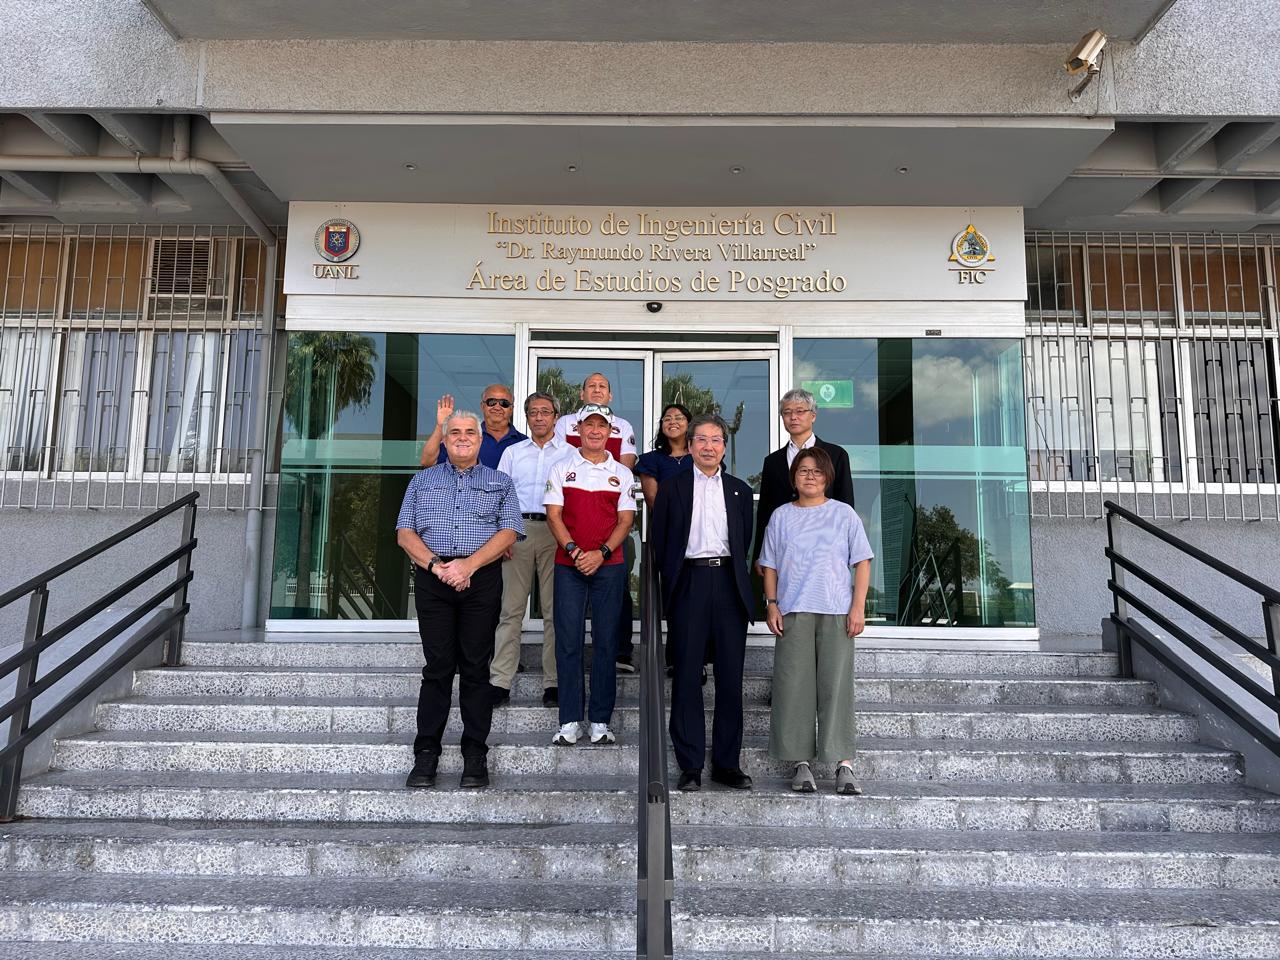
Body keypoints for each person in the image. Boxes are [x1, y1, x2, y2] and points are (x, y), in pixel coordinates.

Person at [396, 410, 525, 791]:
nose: (463, 438)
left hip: (480, 580)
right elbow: (405, 534)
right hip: (434, 580)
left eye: (470, 432)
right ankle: (426, 754)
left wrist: (468, 565)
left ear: (480, 440)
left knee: (474, 667)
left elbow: (509, 532)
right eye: (455, 433)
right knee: (437, 667)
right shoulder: (422, 481)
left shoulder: (500, 482)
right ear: (445, 439)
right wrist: (439, 567)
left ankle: (474, 754)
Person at [759, 446, 873, 796]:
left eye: (817, 471)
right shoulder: (781, 516)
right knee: (795, 688)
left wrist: (858, 607)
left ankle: (843, 764)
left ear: (828, 477)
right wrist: (772, 605)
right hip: (793, 611)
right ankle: (801, 763)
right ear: (793, 477)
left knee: (835, 688)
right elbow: (769, 566)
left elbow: (863, 562)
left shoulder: (844, 514)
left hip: (837, 611)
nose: (810, 476)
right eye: (803, 470)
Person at [651, 413, 755, 792]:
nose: (709, 446)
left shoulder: (741, 491)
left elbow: (745, 542)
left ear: (724, 447)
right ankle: (690, 764)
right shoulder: (672, 488)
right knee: (687, 677)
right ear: (690, 445)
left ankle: (727, 764)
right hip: (690, 583)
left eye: (716, 440)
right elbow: (661, 543)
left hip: (729, 583)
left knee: (730, 679)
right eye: (702, 440)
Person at [544, 404, 636, 746]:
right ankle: (569, 721)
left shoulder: (622, 474)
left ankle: (599, 721)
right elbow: (554, 516)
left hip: (608, 567)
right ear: (579, 429)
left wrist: (602, 554)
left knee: (605, 643)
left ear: (610, 432)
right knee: (568, 643)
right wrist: (575, 552)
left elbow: (625, 521)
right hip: (569, 566)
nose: (595, 431)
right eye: (589, 426)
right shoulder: (561, 467)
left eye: (602, 427)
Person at [491, 391, 575, 709]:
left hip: (556, 533)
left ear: (556, 416)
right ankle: (500, 680)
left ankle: (553, 682)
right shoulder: (513, 453)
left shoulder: (571, 454)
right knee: (510, 610)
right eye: (533, 412)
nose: (539, 417)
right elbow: (499, 496)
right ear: (525, 417)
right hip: (518, 532)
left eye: (545, 411)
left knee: (555, 611)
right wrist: (503, 537)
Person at [553, 371, 639, 673]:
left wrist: (607, 472)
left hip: (611, 525)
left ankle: (621, 651)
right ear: (582, 393)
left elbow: (624, 466)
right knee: (567, 614)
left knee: (618, 593)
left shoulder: (622, 425)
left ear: (611, 396)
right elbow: (561, 463)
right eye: (592, 385)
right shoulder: (564, 423)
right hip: (568, 520)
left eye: (603, 386)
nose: (597, 390)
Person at [752, 387, 855, 574]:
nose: (793, 417)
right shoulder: (772, 461)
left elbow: (845, 501)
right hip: (784, 545)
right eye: (787, 412)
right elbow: (765, 510)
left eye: (800, 411)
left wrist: (846, 548)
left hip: (825, 545)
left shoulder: (836, 455)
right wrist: (760, 553)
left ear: (813, 416)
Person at [420, 384, 526, 470]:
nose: (497, 407)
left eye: (504, 403)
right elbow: (427, 462)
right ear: (482, 406)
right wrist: (440, 426)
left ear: (511, 409)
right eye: (491, 402)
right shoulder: (468, 437)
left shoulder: (523, 443)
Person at [634, 402, 693, 510]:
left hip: (700, 523)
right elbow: (653, 501)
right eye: (667, 419)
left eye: (679, 418)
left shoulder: (700, 458)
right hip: (665, 523)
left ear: (689, 424)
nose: (672, 422)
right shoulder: (650, 461)